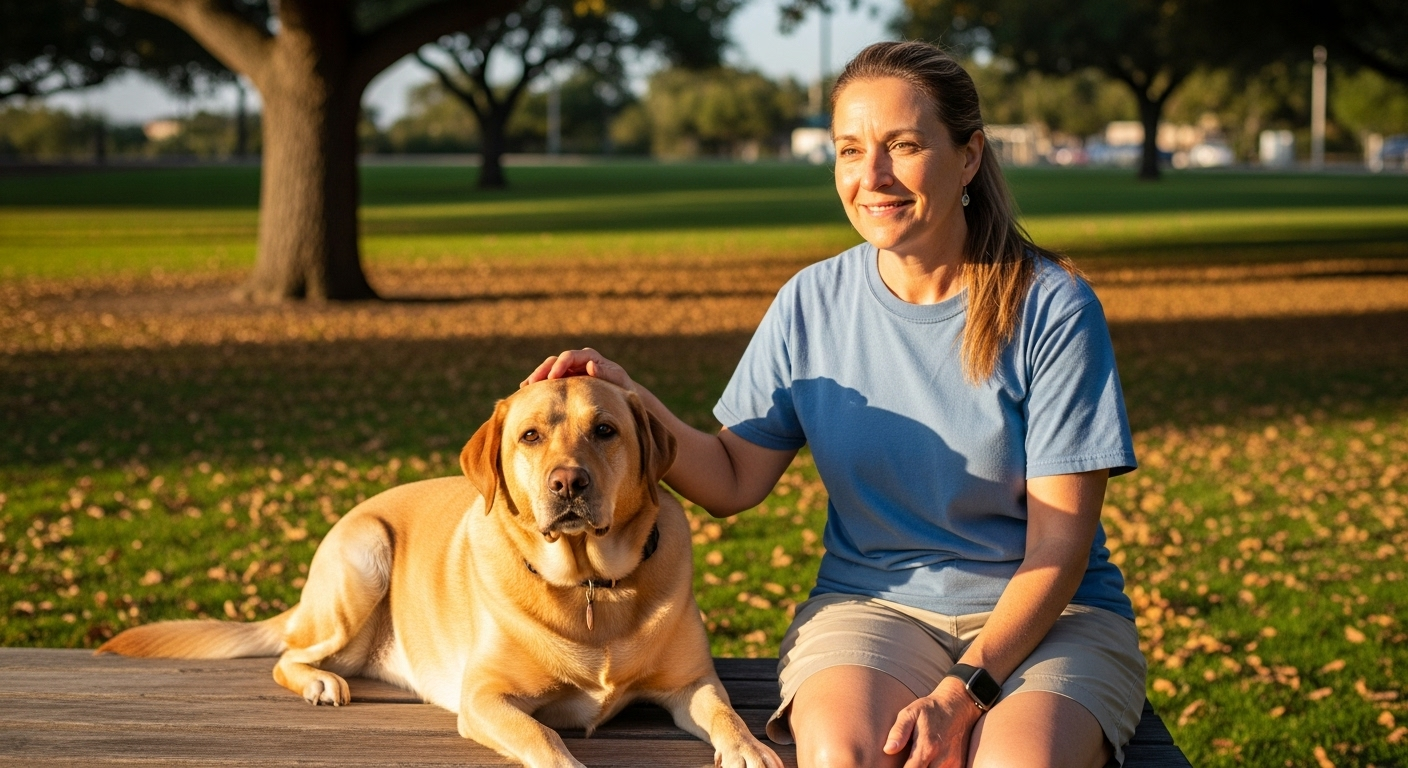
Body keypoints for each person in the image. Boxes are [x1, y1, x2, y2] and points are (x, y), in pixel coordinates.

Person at [523, 41, 1146, 768]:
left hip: (1050, 620)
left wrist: (963, 691)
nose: (872, 177)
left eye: (904, 146)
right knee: (845, 756)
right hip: (873, 608)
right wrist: (629, 399)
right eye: (850, 150)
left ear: (969, 156)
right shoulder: (810, 303)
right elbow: (730, 477)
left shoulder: (1052, 308)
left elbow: (1058, 549)